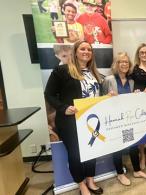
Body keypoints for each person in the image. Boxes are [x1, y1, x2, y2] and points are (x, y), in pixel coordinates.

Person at [45, 41, 103, 195]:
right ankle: (81, 184)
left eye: (89, 49)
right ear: (75, 52)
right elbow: (49, 94)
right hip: (70, 121)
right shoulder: (62, 70)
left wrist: (108, 97)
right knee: (76, 153)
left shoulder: (94, 73)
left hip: (90, 120)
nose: (86, 51)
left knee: (91, 150)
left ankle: (90, 179)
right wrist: (63, 108)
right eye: (82, 48)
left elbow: (96, 95)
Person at [102, 52, 146, 186]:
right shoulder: (109, 80)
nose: (124, 64)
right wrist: (108, 96)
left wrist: (140, 94)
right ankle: (120, 174)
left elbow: (133, 101)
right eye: (121, 62)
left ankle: (137, 170)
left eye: (126, 62)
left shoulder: (131, 81)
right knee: (117, 147)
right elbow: (100, 101)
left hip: (127, 120)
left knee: (133, 145)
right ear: (116, 64)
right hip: (114, 122)